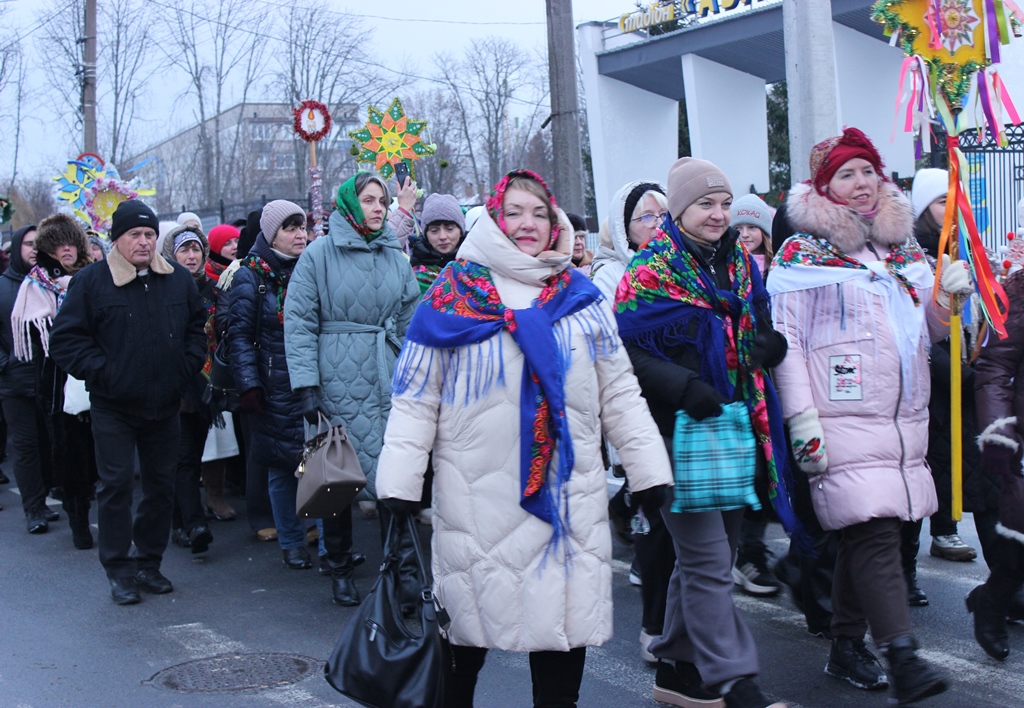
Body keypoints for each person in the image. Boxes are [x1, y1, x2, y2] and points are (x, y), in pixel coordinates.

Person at [376, 169, 672, 707]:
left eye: (539, 212)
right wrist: (399, 483)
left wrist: (649, 470)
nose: (528, 223)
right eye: (513, 212)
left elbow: (620, 394)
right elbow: (416, 398)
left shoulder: (581, 299)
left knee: (560, 642)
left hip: (566, 501)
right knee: (461, 651)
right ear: (493, 218)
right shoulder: (452, 294)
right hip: (475, 502)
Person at [769, 128, 964, 704]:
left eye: (868, 173)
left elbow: (935, 333)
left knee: (873, 532)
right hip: (838, 419)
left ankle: (844, 643)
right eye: (846, 175)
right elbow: (790, 346)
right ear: (823, 188)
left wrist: (949, 298)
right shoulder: (800, 256)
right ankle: (903, 657)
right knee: (875, 532)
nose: (860, 185)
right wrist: (802, 421)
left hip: (905, 420)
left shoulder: (903, 253)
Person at [616, 157, 793, 708]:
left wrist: (770, 346)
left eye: (723, 204)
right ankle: (736, 680)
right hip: (673, 432)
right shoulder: (648, 271)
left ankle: (676, 666)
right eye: (704, 204)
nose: (718, 215)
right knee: (708, 561)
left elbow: (758, 325)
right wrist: (683, 385)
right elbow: (625, 352)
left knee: (708, 557)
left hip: (733, 424)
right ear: (678, 210)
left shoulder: (742, 262)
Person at [50, 200, 207, 605]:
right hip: (114, 407)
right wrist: (104, 373)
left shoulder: (176, 280)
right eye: (135, 235)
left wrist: (185, 368)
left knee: (160, 487)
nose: (143, 242)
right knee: (117, 487)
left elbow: (196, 329)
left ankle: (148, 563)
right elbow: (66, 341)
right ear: (116, 239)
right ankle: (118, 569)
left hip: (164, 404)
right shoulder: (91, 282)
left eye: (150, 235)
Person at [284, 172, 420, 606]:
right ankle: (339, 566)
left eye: (383, 200)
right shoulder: (319, 255)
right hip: (335, 377)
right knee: (334, 480)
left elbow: (409, 316)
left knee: (392, 479)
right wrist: (306, 384)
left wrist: (412, 371)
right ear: (349, 204)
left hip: (386, 376)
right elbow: (300, 322)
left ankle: (400, 570)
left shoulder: (395, 257)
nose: (379, 208)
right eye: (368, 200)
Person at [227, 201, 311, 570]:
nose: (300, 235)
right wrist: (249, 385)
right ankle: (291, 540)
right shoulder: (249, 274)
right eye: (291, 228)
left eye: (303, 227)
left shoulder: (312, 267)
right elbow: (239, 335)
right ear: (272, 233)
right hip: (272, 382)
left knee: (319, 461)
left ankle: (326, 540)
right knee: (281, 467)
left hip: (310, 379)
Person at [13, 214, 96, 549]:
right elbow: (37, 334)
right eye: (59, 243)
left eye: (71, 242)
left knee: (98, 451)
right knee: (70, 452)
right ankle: (78, 519)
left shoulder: (92, 275)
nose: (67, 249)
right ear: (48, 247)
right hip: (59, 378)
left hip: (97, 370)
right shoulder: (36, 283)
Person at [727, 193, 782, 598]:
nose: (746, 234)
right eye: (739, 227)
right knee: (750, 472)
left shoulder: (779, 271)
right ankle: (746, 554)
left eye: (753, 227)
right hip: (737, 385)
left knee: (767, 473)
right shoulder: (728, 269)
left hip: (772, 385)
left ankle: (752, 548)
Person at [969, 267, 1024, 660]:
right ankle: (993, 599)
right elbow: (995, 368)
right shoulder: (1018, 293)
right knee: (1019, 539)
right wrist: (999, 432)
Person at [161, 225, 217, 554]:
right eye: (184, 250)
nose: (191, 256)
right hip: (175, 383)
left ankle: (179, 521)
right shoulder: (163, 288)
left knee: (192, 456)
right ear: (173, 254)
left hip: (207, 384)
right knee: (182, 457)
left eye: (196, 249)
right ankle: (195, 523)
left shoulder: (213, 289)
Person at [0, 224, 59, 533]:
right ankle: (33, 508)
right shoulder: (2, 287)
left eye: (39, 244)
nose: (34, 249)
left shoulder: (49, 283)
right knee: (26, 447)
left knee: (49, 443)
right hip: (15, 383)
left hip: (49, 380)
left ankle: (46, 497)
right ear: (15, 248)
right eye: (28, 244)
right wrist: (6, 363)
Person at [590, 180, 667, 298]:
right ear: (625, 230)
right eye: (647, 216)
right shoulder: (609, 276)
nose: (659, 224)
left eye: (664, 215)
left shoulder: (685, 263)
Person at [409, 193, 466, 294]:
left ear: (461, 231)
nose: (442, 237)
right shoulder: (413, 277)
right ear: (426, 234)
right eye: (434, 231)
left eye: (449, 229)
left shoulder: (476, 267)